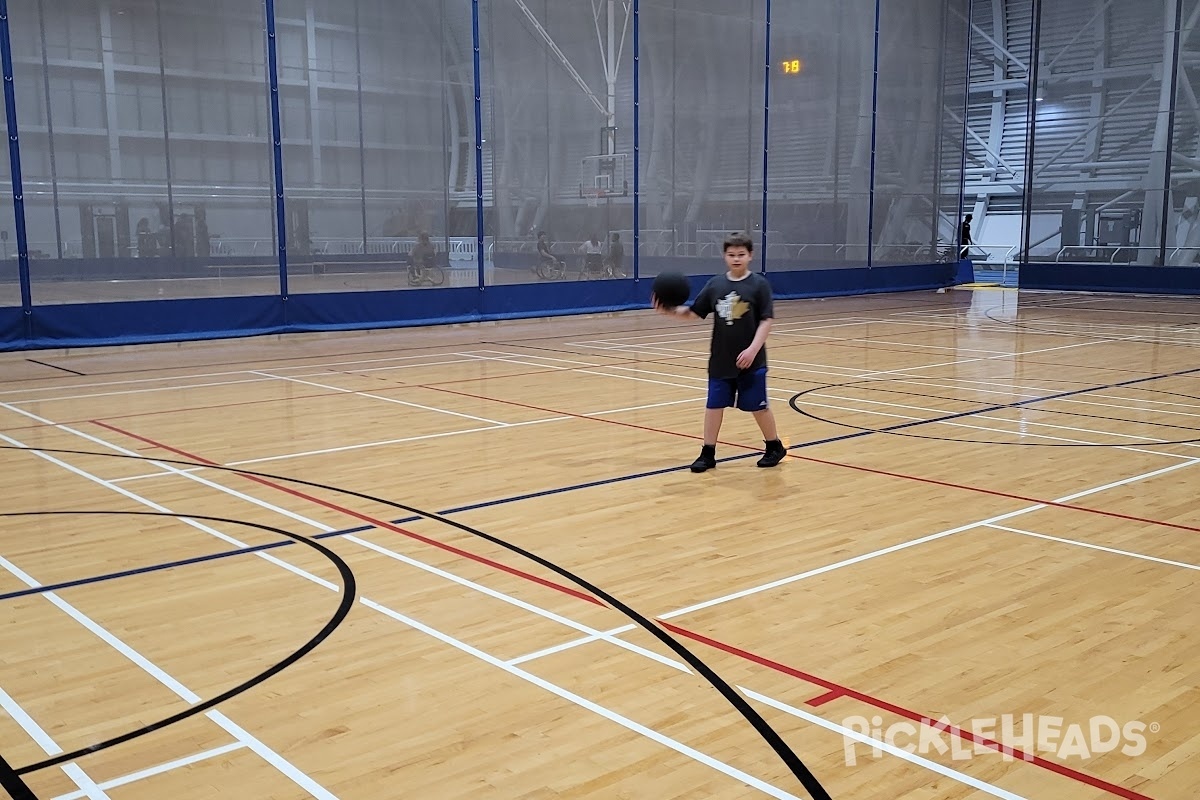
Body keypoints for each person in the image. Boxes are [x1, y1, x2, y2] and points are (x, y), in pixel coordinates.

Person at [652, 231, 786, 472]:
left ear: (750, 256)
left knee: (758, 406)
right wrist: (669, 311)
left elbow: (766, 321)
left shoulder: (758, 285)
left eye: (741, 254)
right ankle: (708, 453)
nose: (736, 259)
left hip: (751, 361)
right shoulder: (716, 285)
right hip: (721, 361)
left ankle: (774, 445)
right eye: (731, 254)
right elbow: (694, 312)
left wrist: (752, 350)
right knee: (713, 405)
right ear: (724, 256)